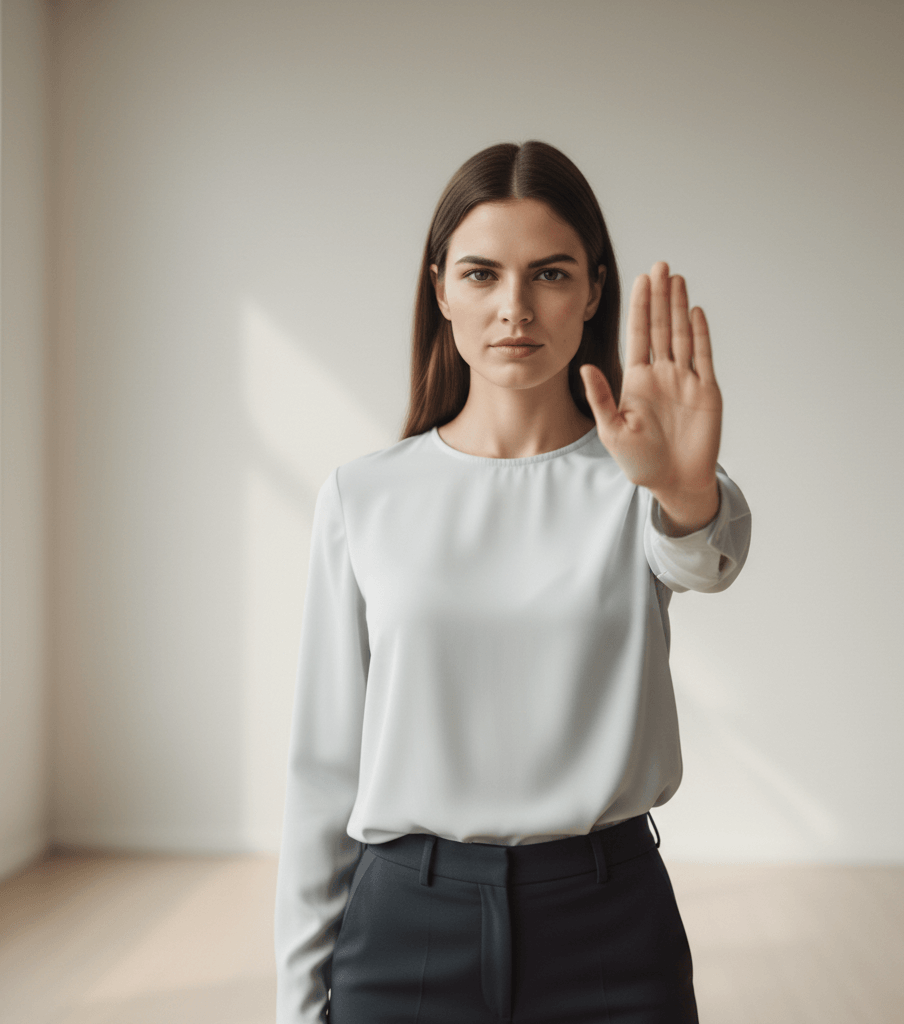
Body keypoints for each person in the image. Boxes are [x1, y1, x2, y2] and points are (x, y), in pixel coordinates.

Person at [274, 140, 751, 1024]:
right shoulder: (364, 494)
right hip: (405, 929)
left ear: (594, 290)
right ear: (441, 288)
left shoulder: (640, 483)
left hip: (609, 924)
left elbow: (705, 557)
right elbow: (322, 772)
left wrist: (683, 489)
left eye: (552, 274)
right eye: (483, 274)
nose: (515, 309)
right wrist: (298, 1005)